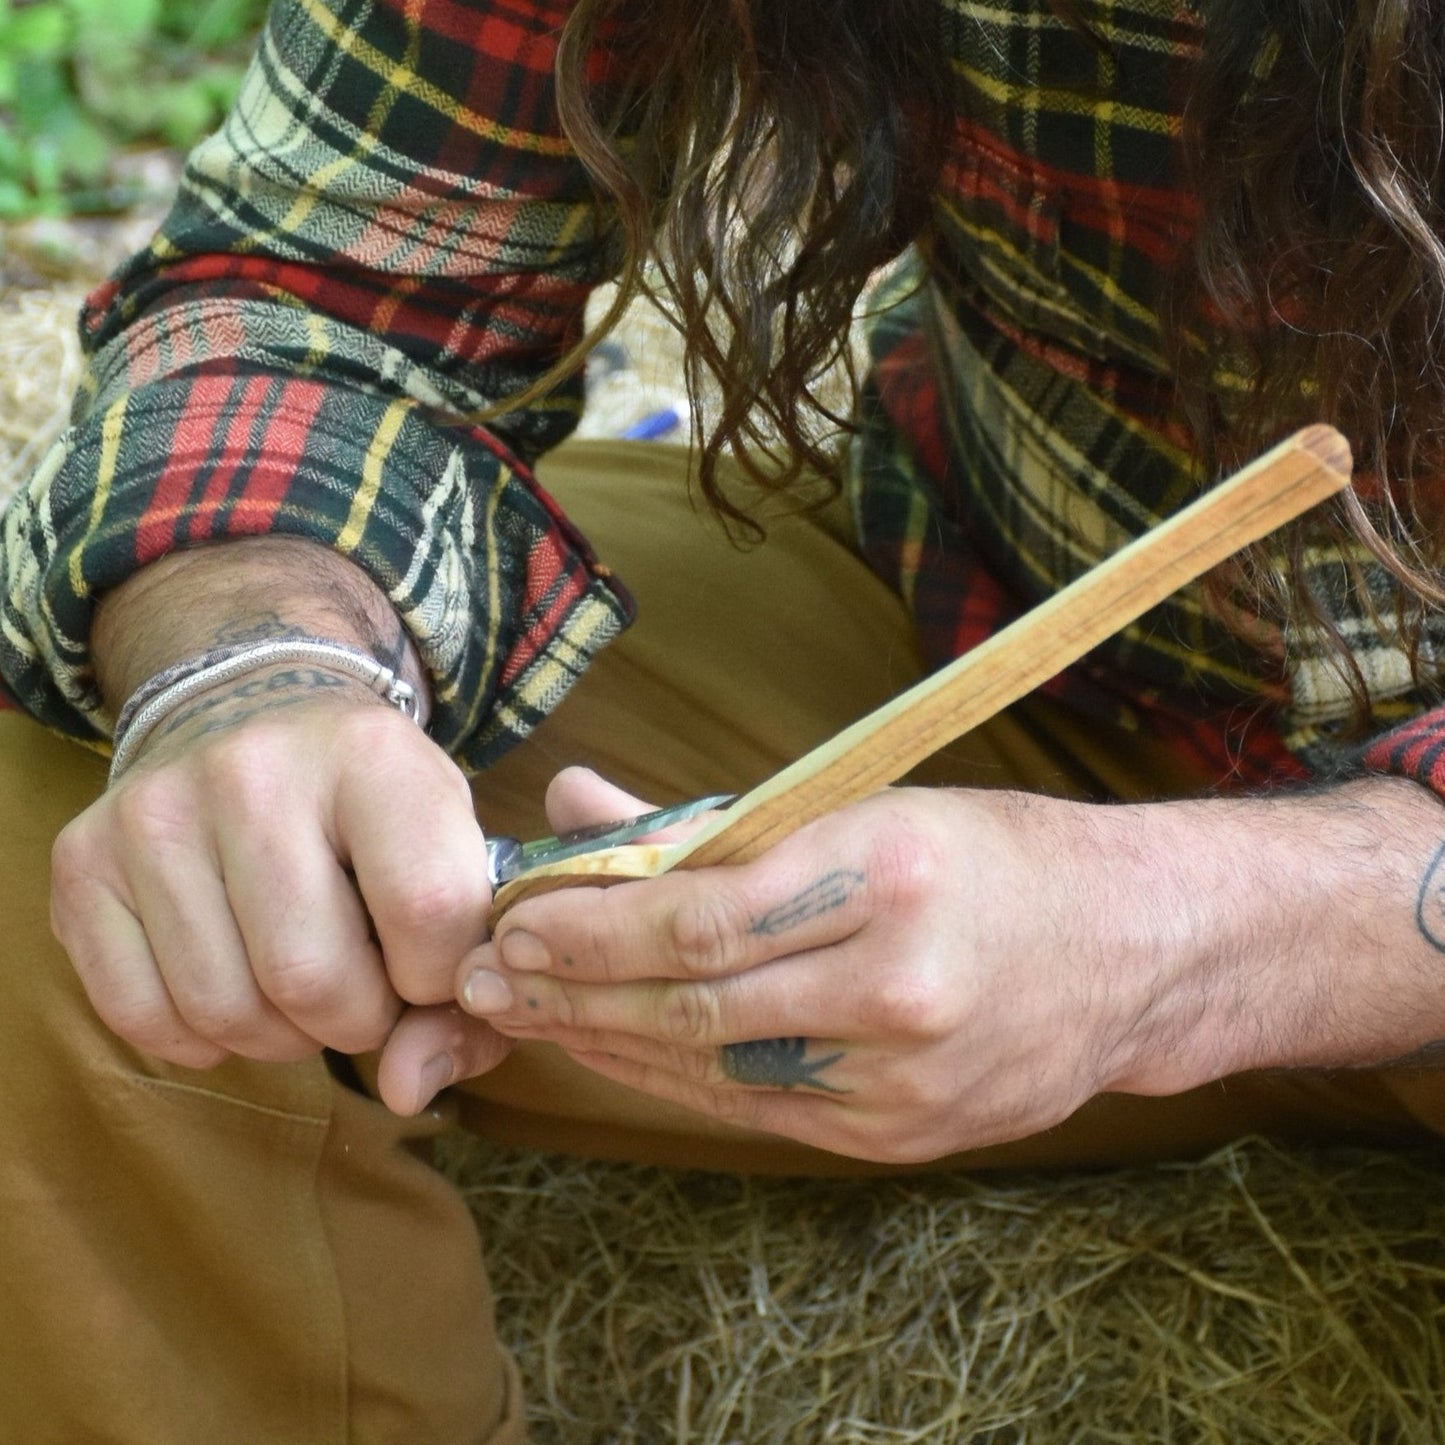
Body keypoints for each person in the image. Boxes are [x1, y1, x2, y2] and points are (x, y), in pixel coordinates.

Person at [3, 0, 1444, 1436]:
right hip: (1004, 640)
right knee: (123, 830)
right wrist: (252, 672)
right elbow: (320, 286)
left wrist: (1188, 937)